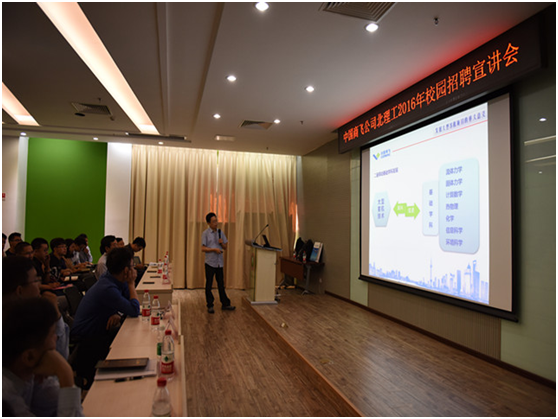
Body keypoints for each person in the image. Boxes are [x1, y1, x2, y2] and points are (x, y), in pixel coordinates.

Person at [71, 247, 140, 388]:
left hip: (100, 330)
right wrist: (131, 283)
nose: (134, 270)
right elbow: (134, 309)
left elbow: (128, 301)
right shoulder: (107, 287)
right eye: (132, 266)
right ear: (125, 270)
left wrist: (118, 313)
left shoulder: (112, 278)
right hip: (89, 338)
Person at [2, 298, 82, 416]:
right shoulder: (6, 401)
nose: (57, 338)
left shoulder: (31, 375)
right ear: (29, 357)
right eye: (52, 334)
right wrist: (65, 374)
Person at [2, 256, 70, 360]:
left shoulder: (18, 314)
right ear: (19, 291)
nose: (39, 286)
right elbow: (59, 357)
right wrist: (56, 316)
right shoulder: (18, 326)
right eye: (35, 281)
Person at [201, 212, 235, 313]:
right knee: (209, 284)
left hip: (219, 263)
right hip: (210, 262)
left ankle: (225, 304)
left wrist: (222, 243)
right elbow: (203, 248)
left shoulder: (220, 232)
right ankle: (210, 305)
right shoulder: (205, 234)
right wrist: (214, 249)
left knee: (221, 284)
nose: (216, 223)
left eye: (216, 221)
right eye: (213, 221)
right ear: (208, 223)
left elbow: (225, 247)